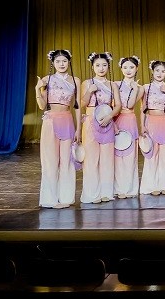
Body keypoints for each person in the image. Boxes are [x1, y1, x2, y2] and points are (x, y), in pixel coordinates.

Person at [35, 49, 81, 209]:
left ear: (69, 62)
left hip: (67, 121)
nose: (61, 64)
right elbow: (42, 106)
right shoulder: (47, 79)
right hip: (51, 121)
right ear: (53, 63)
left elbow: (77, 106)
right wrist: (37, 89)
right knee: (50, 160)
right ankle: (50, 199)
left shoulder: (75, 80)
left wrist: (79, 128)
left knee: (67, 161)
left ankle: (66, 197)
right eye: (58, 61)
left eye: (64, 61)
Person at [80, 51, 121, 204]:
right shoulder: (87, 83)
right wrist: (89, 91)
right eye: (97, 65)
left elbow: (118, 105)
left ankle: (106, 193)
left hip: (107, 122)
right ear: (93, 67)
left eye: (104, 65)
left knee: (107, 159)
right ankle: (92, 194)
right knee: (91, 159)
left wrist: (110, 116)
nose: (101, 68)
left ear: (108, 66)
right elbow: (81, 104)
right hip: (91, 123)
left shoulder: (112, 85)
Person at [140, 60, 165, 196]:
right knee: (152, 155)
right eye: (157, 71)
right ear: (152, 71)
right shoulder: (146, 88)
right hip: (152, 122)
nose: (160, 73)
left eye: (163, 71)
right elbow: (143, 109)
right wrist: (142, 125)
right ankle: (152, 186)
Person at [114, 55, 143, 199]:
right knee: (117, 156)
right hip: (116, 119)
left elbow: (130, 105)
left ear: (136, 68)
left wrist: (134, 89)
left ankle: (129, 189)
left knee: (130, 155)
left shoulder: (140, 88)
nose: (128, 70)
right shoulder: (115, 84)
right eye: (125, 67)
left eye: (131, 67)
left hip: (130, 119)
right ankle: (118, 188)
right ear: (121, 69)